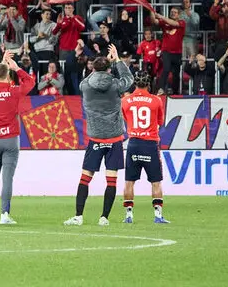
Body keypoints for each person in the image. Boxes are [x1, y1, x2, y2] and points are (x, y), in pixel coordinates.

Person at [65, 44, 134, 226]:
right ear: (109, 69)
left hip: (95, 137)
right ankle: (104, 218)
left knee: (85, 177)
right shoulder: (115, 85)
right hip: (114, 138)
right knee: (111, 179)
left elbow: (84, 81)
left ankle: (78, 216)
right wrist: (117, 61)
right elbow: (129, 78)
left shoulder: (86, 85)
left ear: (93, 69)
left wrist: (98, 69)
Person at [0, 52, 36, 224]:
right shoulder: (13, 91)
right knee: (7, 178)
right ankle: (4, 215)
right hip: (11, 139)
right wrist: (17, 67)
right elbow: (30, 82)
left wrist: (1, 64)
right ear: (8, 74)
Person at [121, 71, 169, 224]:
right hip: (150, 144)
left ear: (134, 83)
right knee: (156, 182)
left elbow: (125, 118)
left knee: (129, 181)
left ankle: (128, 216)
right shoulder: (156, 101)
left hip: (133, 143)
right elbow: (160, 121)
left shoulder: (126, 101)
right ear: (149, 84)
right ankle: (158, 216)